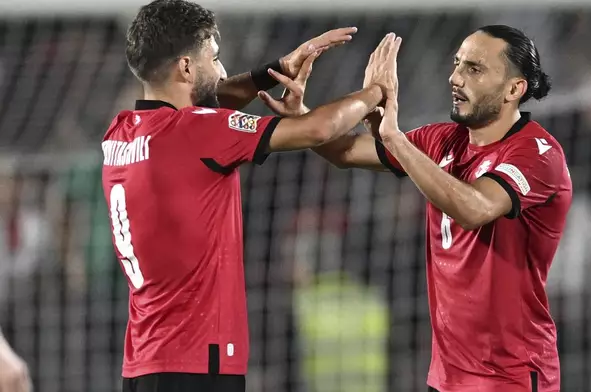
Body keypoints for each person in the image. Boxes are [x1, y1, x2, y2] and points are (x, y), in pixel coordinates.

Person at [101, 1, 401, 391]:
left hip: (145, 361)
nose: (222, 69)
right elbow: (317, 130)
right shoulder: (196, 131)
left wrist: (273, 72)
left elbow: (209, 103)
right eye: (215, 57)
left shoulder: (121, 132)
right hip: (196, 364)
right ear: (187, 68)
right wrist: (377, 91)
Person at [263, 25, 572, 392]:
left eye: (474, 69)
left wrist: (393, 136)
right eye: (457, 64)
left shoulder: (537, 154)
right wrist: (300, 115)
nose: (455, 78)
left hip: (512, 375)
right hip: (447, 374)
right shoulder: (441, 139)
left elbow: (475, 208)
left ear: (514, 89)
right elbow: (346, 152)